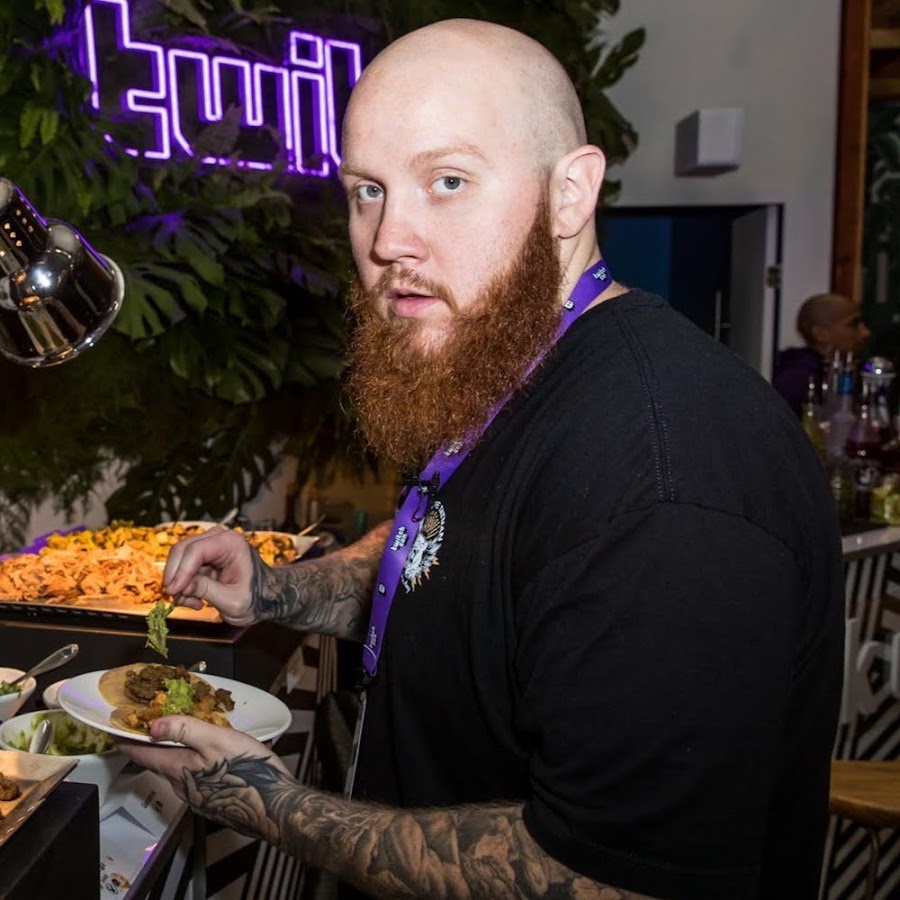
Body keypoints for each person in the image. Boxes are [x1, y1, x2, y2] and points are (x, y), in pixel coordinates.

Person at [120, 18, 845, 900]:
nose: (387, 240)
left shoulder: (667, 475)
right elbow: (459, 555)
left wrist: (275, 806)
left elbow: (605, 876)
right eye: (368, 191)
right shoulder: (507, 358)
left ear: (570, 194)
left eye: (449, 181)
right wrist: (276, 591)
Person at [772, 292, 870, 416]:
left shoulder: (847, 372)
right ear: (821, 333)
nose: (865, 332)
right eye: (853, 325)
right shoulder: (796, 378)